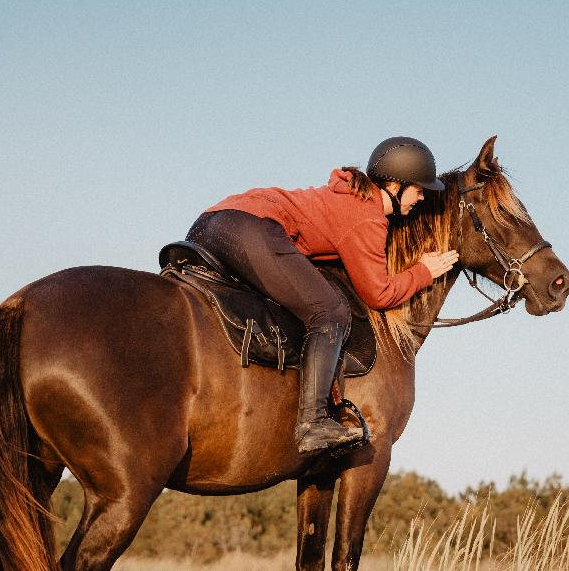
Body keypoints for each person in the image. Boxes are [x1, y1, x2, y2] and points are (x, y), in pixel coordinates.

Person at [186, 137, 459, 454]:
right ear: (396, 185)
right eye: (419, 188)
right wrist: (423, 271)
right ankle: (313, 423)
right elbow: (379, 294)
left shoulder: (345, 197)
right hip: (249, 228)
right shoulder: (368, 216)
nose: (423, 196)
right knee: (330, 311)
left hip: (210, 222)